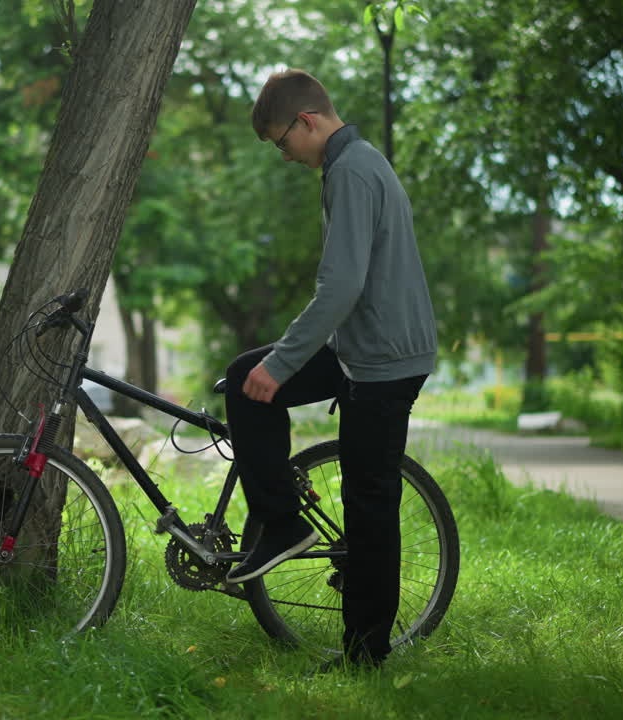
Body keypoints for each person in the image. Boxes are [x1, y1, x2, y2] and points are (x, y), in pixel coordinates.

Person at [223, 69, 438, 670]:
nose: (283, 155)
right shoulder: (352, 163)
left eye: (280, 142)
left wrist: (284, 362)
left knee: (369, 505)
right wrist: (273, 366)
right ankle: (282, 522)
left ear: (307, 122)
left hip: (384, 363)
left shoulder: (351, 169)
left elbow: (342, 284)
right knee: (246, 380)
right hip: (361, 351)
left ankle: (364, 656)